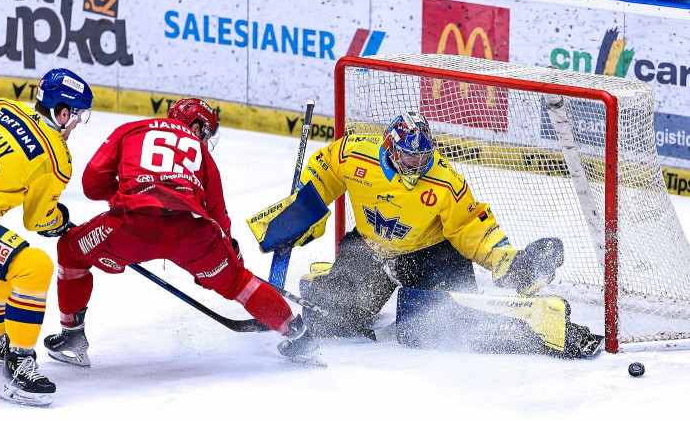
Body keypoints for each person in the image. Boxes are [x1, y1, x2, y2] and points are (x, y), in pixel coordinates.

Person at [252, 111, 603, 358]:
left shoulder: (444, 181)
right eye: (408, 157)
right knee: (334, 316)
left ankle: (547, 332)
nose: (417, 165)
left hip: (432, 255)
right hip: (371, 250)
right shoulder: (354, 152)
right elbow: (324, 170)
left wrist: (505, 261)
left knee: (430, 329)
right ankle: (326, 282)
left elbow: (471, 227)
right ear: (390, 148)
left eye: (422, 157)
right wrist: (302, 210)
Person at [43, 98, 317, 368]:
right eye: (206, 132)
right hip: (192, 232)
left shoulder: (130, 129)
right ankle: (298, 334)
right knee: (239, 284)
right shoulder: (201, 151)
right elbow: (218, 216)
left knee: (70, 251)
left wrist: (128, 195)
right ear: (196, 127)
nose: (205, 139)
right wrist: (230, 262)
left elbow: (91, 184)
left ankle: (72, 336)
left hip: (131, 225)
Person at [0, 68, 94, 406]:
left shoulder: (2, 108)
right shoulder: (56, 159)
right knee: (34, 267)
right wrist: (59, 220)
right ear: (62, 112)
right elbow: (38, 219)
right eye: (77, 116)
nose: (75, 125)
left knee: (1, 278)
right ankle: (19, 364)